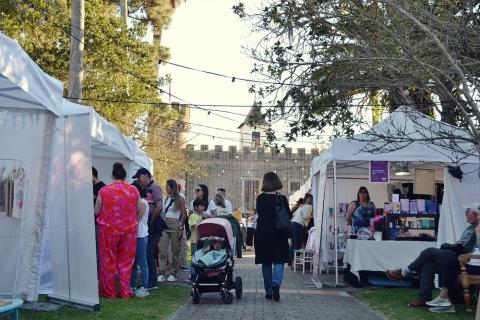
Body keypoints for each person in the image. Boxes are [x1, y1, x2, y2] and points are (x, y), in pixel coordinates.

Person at [386, 206, 479, 313]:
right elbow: (462, 245)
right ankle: (423, 298)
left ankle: (404, 272)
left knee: (429, 251)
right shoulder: (471, 227)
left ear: (476, 215)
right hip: (455, 255)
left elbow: (465, 248)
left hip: (462, 259)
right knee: (429, 264)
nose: (466, 213)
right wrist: (450, 246)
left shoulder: (477, 228)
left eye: (468, 211)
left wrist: (452, 247)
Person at [94, 162, 142, 299]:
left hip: (108, 231)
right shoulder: (133, 190)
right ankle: (125, 292)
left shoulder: (103, 191)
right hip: (129, 231)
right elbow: (139, 209)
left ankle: (109, 292)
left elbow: (96, 211)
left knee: (107, 261)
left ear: (112, 175)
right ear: (125, 176)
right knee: (126, 262)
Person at [255, 171, 291, 302]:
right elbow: (288, 216)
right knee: (279, 261)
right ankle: (276, 284)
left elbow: (260, 213)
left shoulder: (260, 198)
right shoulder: (282, 199)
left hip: (263, 233)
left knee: (266, 262)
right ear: (277, 182)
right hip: (279, 233)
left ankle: (269, 291)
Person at [132, 167, 163, 290]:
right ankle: (149, 279)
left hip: (152, 224)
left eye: (139, 178)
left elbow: (159, 206)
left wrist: (151, 221)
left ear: (145, 176)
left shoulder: (154, 187)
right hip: (147, 224)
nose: (139, 181)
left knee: (149, 253)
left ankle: (152, 281)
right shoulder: (145, 189)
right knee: (147, 253)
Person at [157, 179, 186, 283]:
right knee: (162, 248)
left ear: (172, 187)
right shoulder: (165, 199)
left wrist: (181, 228)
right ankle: (162, 271)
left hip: (175, 224)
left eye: (167, 186)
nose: (166, 188)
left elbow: (183, 215)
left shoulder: (180, 199)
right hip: (165, 224)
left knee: (175, 249)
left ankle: (173, 272)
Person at [130, 183, 149, 297]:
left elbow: (136, 219)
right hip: (134, 236)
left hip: (141, 236)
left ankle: (144, 287)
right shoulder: (136, 202)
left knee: (142, 262)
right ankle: (132, 285)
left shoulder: (142, 203)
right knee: (133, 263)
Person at [189, 198, 205, 282]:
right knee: (194, 257)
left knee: (200, 257)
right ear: (195, 207)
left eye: (203, 206)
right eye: (201, 206)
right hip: (195, 241)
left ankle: (199, 274)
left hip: (200, 240)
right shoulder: (193, 216)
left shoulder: (200, 216)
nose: (203, 208)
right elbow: (194, 226)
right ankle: (193, 275)